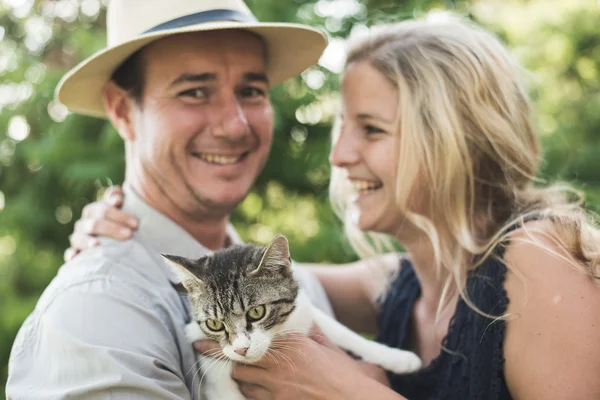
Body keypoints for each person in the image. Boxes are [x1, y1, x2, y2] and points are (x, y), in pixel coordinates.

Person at [68, 11, 600, 400]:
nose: (341, 156)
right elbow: (243, 280)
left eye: (371, 130)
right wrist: (125, 233)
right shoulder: (399, 283)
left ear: (452, 139)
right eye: (343, 128)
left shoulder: (539, 261)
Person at [5, 0, 360, 398]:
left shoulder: (283, 281)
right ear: (123, 111)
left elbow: (414, 276)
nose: (235, 124)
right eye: (194, 91)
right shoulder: (97, 312)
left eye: (251, 90)